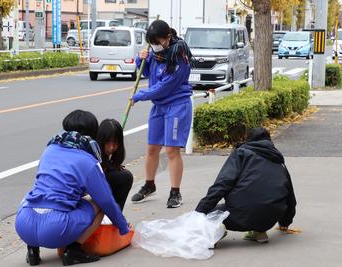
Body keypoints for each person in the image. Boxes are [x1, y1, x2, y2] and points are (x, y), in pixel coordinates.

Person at [15, 110, 129, 266]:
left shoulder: (49, 150)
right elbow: (106, 200)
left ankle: (32, 250)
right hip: (55, 230)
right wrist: (122, 227)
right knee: (99, 204)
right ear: (93, 135)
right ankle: (74, 251)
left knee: (33, 196)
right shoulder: (88, 160)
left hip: (23, 225)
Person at [130, 20, 194, 208]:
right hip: (159, 106)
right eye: (152, 43)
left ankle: (175, 192)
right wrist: (141, 59)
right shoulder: (156, 52)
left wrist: (140, 95)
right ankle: (149, 185)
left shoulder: (179, 56)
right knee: (152, 148)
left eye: (157, 42)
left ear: (168, 37)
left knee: (172, 150)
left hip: (176, 106)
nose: (155, 46)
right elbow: (147, 72)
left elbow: (165, 86)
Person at [195, 128, 297, 243]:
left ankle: (217, 229)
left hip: (238, 216)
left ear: (248, 139)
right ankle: (260, 232)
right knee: (262, 202)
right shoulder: (279, 161)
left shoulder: (241, 153)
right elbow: (290, 197)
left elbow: (223, 183)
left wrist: (199, 212)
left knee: (211, 214)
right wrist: (285, 222)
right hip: (268, 220)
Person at [97, 119, 134, 211]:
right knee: (125, 177)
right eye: (108, 142)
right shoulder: (93, 155)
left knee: (123, 175)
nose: (111, 147)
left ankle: (115, 216)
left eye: (115, 143)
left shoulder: (109, 160)